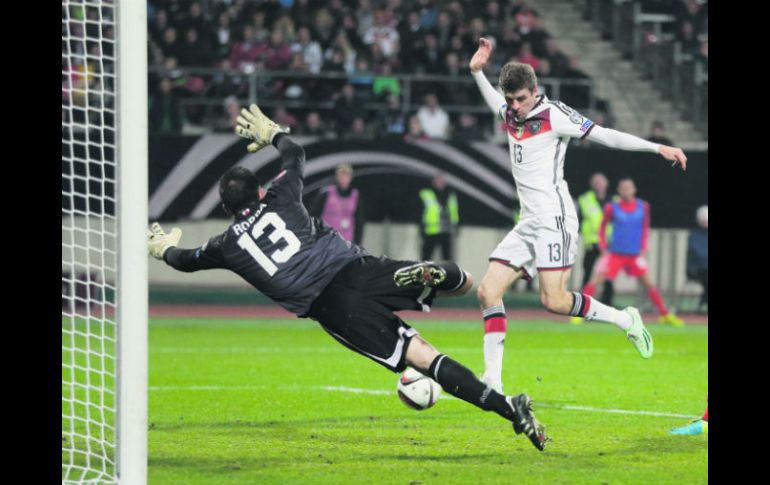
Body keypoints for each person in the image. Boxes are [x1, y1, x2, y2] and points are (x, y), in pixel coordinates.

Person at [147, 104, 549, 451]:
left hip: (335, 308)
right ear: (258, 192)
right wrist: (274, 134)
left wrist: (162, 248)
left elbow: (186, 260)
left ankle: (510, 409)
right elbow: (296, 156)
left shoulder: (225, 246)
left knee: (422, 358)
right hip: (356, 267)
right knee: (461, 280)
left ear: (224, 205)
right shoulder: (280, 197)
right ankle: (444, 279)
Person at [469, 38, 687, 392]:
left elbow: (606, 136)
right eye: (511, 100)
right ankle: (493, 377)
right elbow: (495, 103)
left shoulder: (555, 114)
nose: (515, 106)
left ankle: (624, 318)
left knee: (554, 301)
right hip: (529, 222)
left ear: (535, 91)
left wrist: (656, 147)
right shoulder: (510, 113)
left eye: (521, 98)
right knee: (487, 292)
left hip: (555, 219)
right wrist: (477, 72)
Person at [579, 178, 685, 326]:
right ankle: (578, 313)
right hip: (615, 254)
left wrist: (643, 248)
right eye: (622, 188)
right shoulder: (612, 207)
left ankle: (664, 314)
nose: (626, 191)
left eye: (628, 188)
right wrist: (603, 247)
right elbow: (602, 228)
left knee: (649, 282)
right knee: (595, 280)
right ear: (618, 191)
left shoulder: (643, 206)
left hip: (634, 255)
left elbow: (645, 228)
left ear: (634, 189)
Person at [570, 173, 615, 324]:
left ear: (607, 183)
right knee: (588, 274)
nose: (598, 184)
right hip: (592, 243)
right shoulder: (585, 199)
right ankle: (584, 307)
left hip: (608, 244)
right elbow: (578, 220)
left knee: (608, 276)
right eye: (595, 181)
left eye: (601, 181)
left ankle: (607, 307)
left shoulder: (614, 201)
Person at [309, 164, 365, 245]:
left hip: (346, 241)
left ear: (350, 177)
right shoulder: (326, 193)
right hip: (326, 240)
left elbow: (359, 221)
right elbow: (313, 216)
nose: (344, 178)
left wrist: (357, 243)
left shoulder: (355, 196)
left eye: (346, 175)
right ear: (337, 176)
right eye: (341, 175)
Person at [419, 173, 459, 261]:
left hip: (446, 230)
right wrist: (421, 227)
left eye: (442, 181)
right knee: (426, 257)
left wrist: (455, 225)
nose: (440, 183)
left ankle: (448, 274)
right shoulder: (426, 193)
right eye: (438, 180)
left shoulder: (450, 195)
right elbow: (420, 211)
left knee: (447, 258)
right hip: (431, 230)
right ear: (433, 182)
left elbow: (454, 212)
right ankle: (424, 274)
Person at [687, 205, 708, 313]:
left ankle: (704, 298)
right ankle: (704, 298)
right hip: (698, 268)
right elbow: (696, 252)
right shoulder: (695, 234)